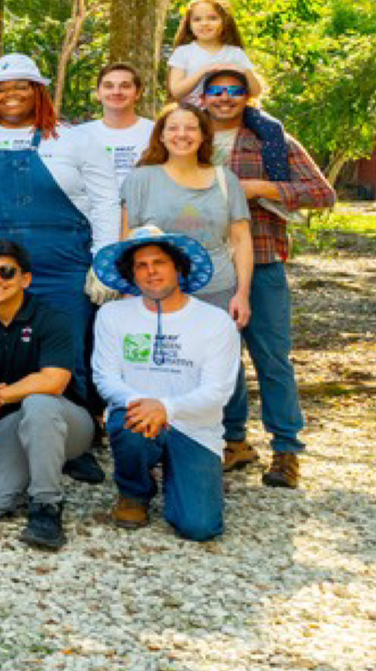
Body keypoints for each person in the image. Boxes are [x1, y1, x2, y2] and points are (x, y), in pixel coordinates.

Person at [0, 54, 116, 451]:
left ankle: (76, 437)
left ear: (39, 92)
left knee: (68, 347)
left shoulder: (76, 140)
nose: (11, 95)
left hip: (62, 264)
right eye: (1, 89)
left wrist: (103, 264)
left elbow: (105, 202)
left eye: (21, 86)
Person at [199, 66, 333, 487]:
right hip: (207, 266)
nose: (224, 98)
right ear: (203, 97)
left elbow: (321, 193)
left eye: (234, 91)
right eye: (216, 91)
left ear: (246, 96)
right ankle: (234, 441)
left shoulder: (271, 142)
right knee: (222, 360)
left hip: (262, 260)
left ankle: (287, 450)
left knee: (272, 358)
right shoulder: (190, 137)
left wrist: (260, 188)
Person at [91, 227, 238, 541]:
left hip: (194, 427)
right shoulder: (111, 315)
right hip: (137, 418)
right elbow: (105, 378)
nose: (151, 272)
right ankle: (134, 492)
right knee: (127, 424)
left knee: (199, 527)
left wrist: (166, 408)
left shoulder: (215, 321)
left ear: (179, 268)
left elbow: (218, 391)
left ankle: (183, 478)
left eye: (159, 262)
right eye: (141, 266)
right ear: (132, 275)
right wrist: (146, 405)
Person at [0, 240, 93, 550]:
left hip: (66, 420)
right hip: (9, 424)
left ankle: (46, 506)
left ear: (25, 279)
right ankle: (38, 467)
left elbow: (54, 381)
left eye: (6, 272)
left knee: (39, 402)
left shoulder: (51, 319)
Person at [121, 104, 252, 323]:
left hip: (218, 292)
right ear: (161, 136)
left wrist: (243, 294)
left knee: (217, 356)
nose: (182, 134)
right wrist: (128, 290)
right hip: (155, 293)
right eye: (173, 128)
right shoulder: (140, 179)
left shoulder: (226, 179)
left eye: (191, 128)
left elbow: (241, 238)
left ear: (203, 136)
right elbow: (127, 240)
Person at [167, 0, 267, 104]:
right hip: (193, 115)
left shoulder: (235, 53)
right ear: (189, 24)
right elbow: (176, 91)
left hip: (227, 111)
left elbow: (255, 91)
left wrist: (242, 70)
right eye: (197, 19)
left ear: (224, 22)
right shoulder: (183, 52)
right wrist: (203, 71)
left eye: (212, 18)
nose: (204, 23)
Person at [79, 62, 154, 190]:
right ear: (98, 93)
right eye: (108, 86)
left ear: (138, 93)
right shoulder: (79, 135)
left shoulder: (156, 132)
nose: (116, 92)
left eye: (125, 86)